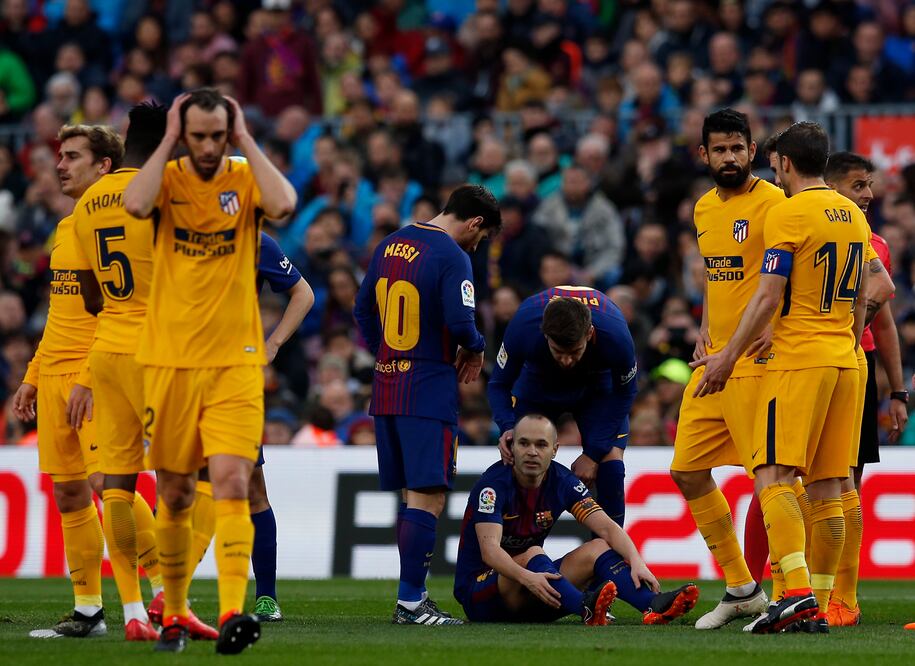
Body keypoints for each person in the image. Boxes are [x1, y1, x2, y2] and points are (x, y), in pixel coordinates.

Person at [124, 88, 297, 653]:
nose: (205, 146)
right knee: (175, 492)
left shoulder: (244, 180)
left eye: (215, 136)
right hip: (170, 360)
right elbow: (133, 203)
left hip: (235, 362)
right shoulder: (167, 179)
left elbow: (285, 202)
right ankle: (174, 612)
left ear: (228, 134)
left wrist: (245, 137)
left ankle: (230, 613)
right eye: (196, 136)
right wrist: (170, 139)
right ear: (183, 134)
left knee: (232, 482)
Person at [692, 121, 871, 634]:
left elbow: (768, 294)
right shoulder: (853, 215)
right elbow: (862, 297)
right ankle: (820, 602)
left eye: (774, 164)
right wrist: (847, 342)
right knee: (829, 486)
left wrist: (728, 356)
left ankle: (793, 594)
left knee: (773, 475)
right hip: (845, 360)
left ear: (785, 163)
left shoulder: (788, 213)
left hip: (799, 360)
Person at [353, 184, 501, 626]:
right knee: (429, 497)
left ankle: (411, 597)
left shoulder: (390, 243)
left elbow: (362, 310)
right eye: (482, 237)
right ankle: (411, 603)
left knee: (411, 497)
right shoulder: (453, 255)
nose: (477, 246)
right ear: (475, 223)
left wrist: (387, 354)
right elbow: (461, 320)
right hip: (428, 388)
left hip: (387, 386)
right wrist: (476, 345)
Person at [670, 109, 782, 629]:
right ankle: (742, 588)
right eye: (720, 149)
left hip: (758, 360)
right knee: (687, 470)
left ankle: (795, 590)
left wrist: (769, 329)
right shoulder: (703, 209)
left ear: (753, 150)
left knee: (774, 479)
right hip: (713, 360)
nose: (730, 157)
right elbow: (719, 278)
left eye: (738, 148)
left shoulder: (774, 203)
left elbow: (785, 279)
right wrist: (704, 327)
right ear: (704, 154)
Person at [11, 124, 116, 639]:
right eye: (60, 156)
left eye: (73, 156)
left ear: (104, 166)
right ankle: (89, 611)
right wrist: (33, 374)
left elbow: (119, 313)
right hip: (54, 375)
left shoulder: (114, 227)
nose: (60, 165)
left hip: (92, 376)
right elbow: (61, 312)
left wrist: (91, 376)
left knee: (110, 487)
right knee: (71, 495)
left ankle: (167, 594)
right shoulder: (67, 227)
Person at [454, 413, 699, 625]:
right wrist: (528, 578)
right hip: (481, 596)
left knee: (599, 546)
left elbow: (607, 527)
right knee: (533, 553)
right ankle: (585, 607)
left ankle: (653, 605)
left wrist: (636, 560)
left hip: (537, 592)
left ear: (554, 449)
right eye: (524, 443)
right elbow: (490, 552)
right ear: (511, 447)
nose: (532, 452)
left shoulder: (563, 481)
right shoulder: (493, 486)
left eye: (541, 445)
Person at [194, 230, 314, 623]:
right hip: (177, 372)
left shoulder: (254, 239)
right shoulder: (172, 228)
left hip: (234, 378)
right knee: (176, 486)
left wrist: (273, 343)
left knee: (250, 488)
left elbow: (303, 293)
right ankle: (168, 594)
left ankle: (266, 597)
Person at [822, 151, 907, 627]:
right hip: (805, 363)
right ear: (831, 188)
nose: (869, 194)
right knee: (789, 480)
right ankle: (798, 589)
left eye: (869, 184)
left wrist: (898, 392)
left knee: (847, 480)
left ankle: (843, 598)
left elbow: (886, 323)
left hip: (855, 364)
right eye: (859, 185)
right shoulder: (799, 231)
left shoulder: (875, 245)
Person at [489, 287, 637, 527]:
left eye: (575, 351)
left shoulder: (616, 336)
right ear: (545, 335)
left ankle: (611, 549)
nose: (567, 360)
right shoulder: (524, 326)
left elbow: (626, 392)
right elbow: (498, 384)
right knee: (521, 454)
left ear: (590, 333)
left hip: (597, 387)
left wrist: (593, 454)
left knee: (610, 465)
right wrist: (507, 427)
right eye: (558, 351)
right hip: (539, 385)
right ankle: (514, 544)